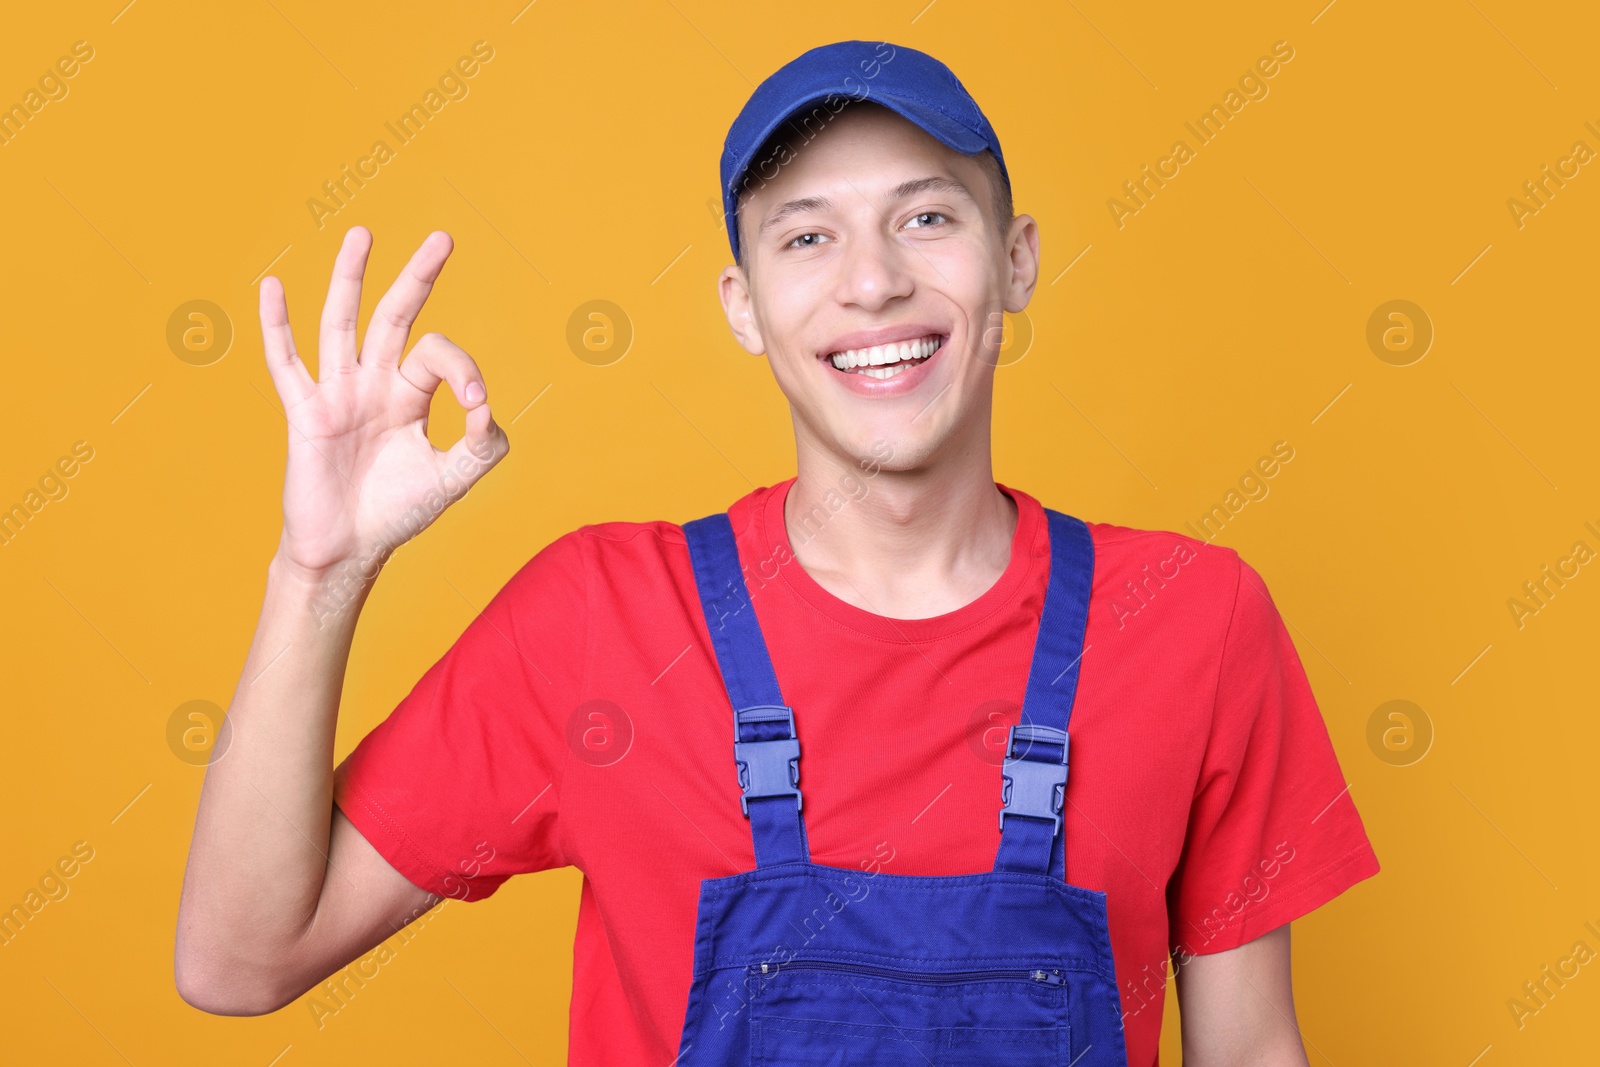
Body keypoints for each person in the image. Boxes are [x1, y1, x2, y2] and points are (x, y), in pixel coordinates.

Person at [175, 40, 1379, 1066]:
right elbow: (238, 959)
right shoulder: (601, 619)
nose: (872, 280)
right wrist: (319, 570)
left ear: (1013, 259)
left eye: (925, 216)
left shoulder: (1192, 620)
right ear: (742, 303)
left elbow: (1252, 1048)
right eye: (806, 237)